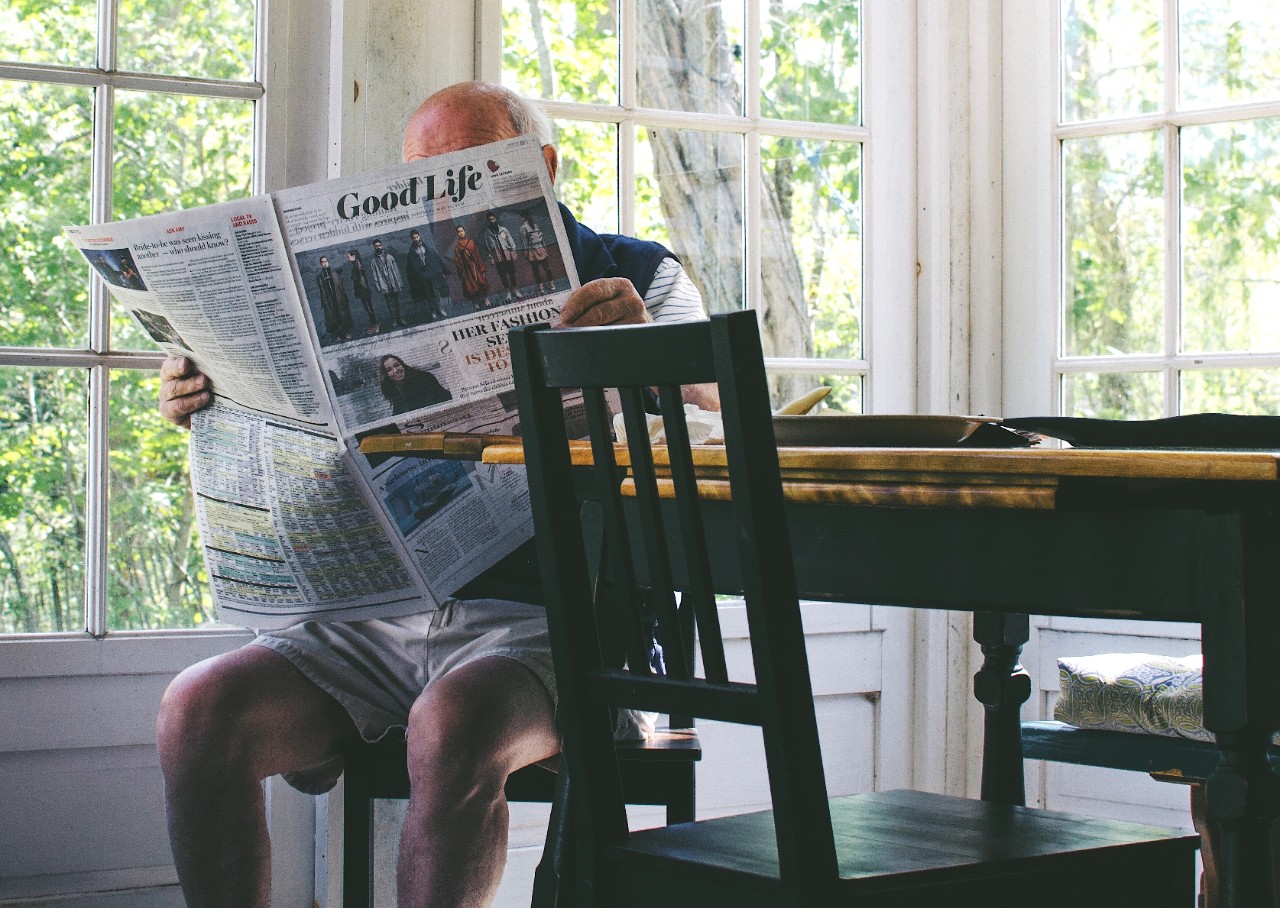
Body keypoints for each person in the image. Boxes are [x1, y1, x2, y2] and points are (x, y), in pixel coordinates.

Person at [155, 80, 717, 908]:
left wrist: (643, 360)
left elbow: (722, 431)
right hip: (371, 620)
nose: (443, 203)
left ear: (543, 168)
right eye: (424, 179)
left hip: (551, 629)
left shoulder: (634, 277)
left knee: (451, 725)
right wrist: (206, 396)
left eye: (469, 171)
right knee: (196, 712)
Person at [379, 354, 453, 414]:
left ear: (403, 365)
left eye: (397, 365)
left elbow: (431, 405)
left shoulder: (423, 378)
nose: (395, 371)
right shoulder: (394, 388)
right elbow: (398, 411)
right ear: (386, 374)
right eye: (389, 370)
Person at [405, 229, 450, 322]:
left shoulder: (427, 247)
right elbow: (411, 267)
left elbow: (435, 259)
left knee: (436, 292)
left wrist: (440, 272)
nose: (416, 239)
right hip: (422, 276)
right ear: (411, 239)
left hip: (432, 274)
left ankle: (440, 309)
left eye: (417, 237)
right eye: (414, 238)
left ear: (419, 236)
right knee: (428, 294)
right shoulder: (411, 252)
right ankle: (433, 310)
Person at [481, 211, 521, 303]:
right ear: (488, 221)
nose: (492, 221)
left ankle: (515, 290)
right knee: (503, 276)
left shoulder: (504, 230)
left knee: (511, 273)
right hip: (497, 257)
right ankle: (508, 292)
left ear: (495, 219)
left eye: (493, 219)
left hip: (507, 255)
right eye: (490, 220)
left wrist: (513, 253)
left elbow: (511, 242)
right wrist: (491, 258)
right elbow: (488, 248)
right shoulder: (487, 233)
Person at [370, 238, 408, 329]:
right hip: (384, 285)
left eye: (379, 245)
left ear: (382, 246)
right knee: (389, 303)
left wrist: (399, 282)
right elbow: (375, 275)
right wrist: (379, 287)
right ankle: (394, 320)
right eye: (376, 246)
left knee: (397, 301)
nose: (378, 247)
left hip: (393, 283)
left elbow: (396, 270)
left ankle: (401, 318)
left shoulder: (390, 257)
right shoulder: (373, 261)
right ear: (374, 248)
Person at [314, 255, 354, 341]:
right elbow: (322, 290)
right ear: (321, 264)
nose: (324, 263)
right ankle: (338, 334)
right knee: (333, 316)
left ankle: (346, 333)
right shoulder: (320, 276)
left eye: (326, 261)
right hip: (329, 299)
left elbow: (340, 285)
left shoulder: (334, 272)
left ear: (328, 262)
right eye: (323, 262)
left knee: (343, 315)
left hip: (338, 297)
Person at [452, 224, 491, 310]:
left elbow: (477, 255)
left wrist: (482, 269)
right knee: (470, 286)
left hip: (475, 267)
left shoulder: (471, 242)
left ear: (464, 231)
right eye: (459, 232)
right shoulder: (457, 247)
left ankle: (485, 299)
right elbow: (457, 261)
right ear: (457, 233)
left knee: (482, 282)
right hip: (466, 269)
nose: (461, 233)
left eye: (462, 231)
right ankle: (475, 302)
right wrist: (462, 273)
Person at [520, 209, 555, 294]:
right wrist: (545, 248)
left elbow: (524, 242)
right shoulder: (536, 225)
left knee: (536, 270)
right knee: (547, 268)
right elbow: (542, 239)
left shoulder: (523, 228)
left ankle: (541, 288)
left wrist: (525, 253)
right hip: (541, 248)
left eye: (521, 218)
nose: (520, 220)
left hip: (532, 251)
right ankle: (552, 285)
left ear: (524, 218)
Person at [347, 249, 380, 335]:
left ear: (353, 256)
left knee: (369, 308)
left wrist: (364, 291)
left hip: (363, 290)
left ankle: (375, 326)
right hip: (363, 290)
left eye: (348, 257)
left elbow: (361, 279)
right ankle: (373, 324)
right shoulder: (356, 264)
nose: (348, 259)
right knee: (368, 308)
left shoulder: (357, 265)